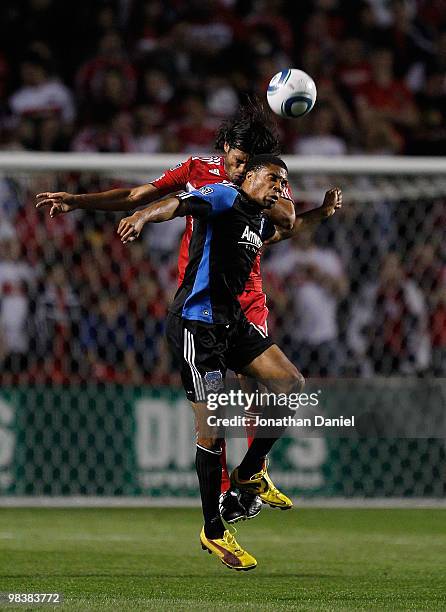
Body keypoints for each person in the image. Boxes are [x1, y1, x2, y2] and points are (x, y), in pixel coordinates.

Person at [35, 100, 296, 523]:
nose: (240, 169)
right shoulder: (198, 170)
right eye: (237, 160)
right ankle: (228, 494)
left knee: (266, 388)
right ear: (225, 146)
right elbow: (141, 196)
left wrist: (255, 196)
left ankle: (253, 473)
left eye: (250, 165)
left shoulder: (264, 178)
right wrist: (80, 201)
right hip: (203, 300)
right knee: (216, 407)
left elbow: (288, 216)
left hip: (248, 297)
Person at [116, 155, 304, 570]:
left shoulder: (257, 220)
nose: (278, 187)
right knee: (213, 428)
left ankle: (250, 470)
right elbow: (179, 204)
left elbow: (290, 226)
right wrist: (145, 214)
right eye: (273, 178)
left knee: (291, 385)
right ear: (250, 176)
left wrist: (321, 213)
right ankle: (214, 531)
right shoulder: (222, 196)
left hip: (231, 323)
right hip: (195, 326)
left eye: (284, 182)